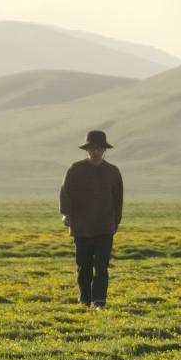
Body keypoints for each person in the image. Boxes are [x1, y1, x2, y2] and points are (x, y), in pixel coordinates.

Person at [59, 130, 124, 308]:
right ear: (87, 149)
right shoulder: (75, 169)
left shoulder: (113, 172)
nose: (95, 151)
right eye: (92, 148)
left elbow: (118, 199)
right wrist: (66, 213)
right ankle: (85, 299)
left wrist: (115, 222)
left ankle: (99, 302)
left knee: (102, 267)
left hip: (105, 226)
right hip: (82, 226)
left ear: (104, 150)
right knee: (84, 266)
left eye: (99, 148)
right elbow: (66, 193)